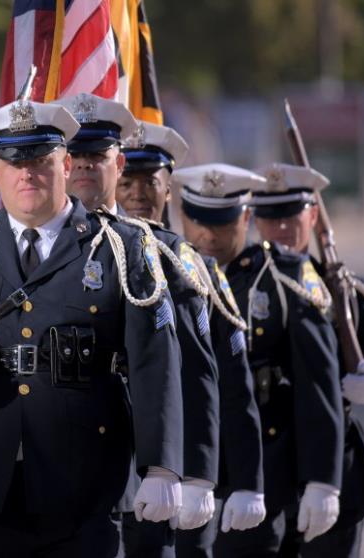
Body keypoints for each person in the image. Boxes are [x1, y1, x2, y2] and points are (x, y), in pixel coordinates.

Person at [0, 99, 185, 558]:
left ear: (65, 164)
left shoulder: (119, 246)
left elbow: (153, 359)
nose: (27, 175)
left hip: (85, 477)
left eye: (40, 162)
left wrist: (162, 465)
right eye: (14, 162)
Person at [53, 94, 222, 557]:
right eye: (77, 156)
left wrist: (194, 470)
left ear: (116, 162)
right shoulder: (40, 246)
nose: (86, 166)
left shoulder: (161, 251)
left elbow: (192, 368)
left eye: (98, 156)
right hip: (68, 461)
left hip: (144, 460)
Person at [174, 163, 345, 557]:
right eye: (199, 220)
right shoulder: (167, 270)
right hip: (183, 464)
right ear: (183, 215)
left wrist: (322, 480)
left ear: (245, 217)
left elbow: (317, 381)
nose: (209, 235)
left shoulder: (283, 276)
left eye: (222, 222)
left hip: (262, 465)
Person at [117, 127, 267, 558]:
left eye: (151, 183)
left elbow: (225, 379)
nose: (138, 194)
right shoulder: (91, 252)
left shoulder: (188, 264)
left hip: (174, 472)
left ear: (170, 189)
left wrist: (233, 479)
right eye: (127, 182)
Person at [252, 162, 364, 558]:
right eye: (272, 219)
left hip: (338, 468)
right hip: (261, 468)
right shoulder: (238, 288)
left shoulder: (346, 289)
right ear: (256, 221)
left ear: (312, 216)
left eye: (292, 217)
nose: (283, 229)